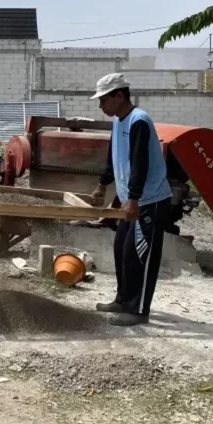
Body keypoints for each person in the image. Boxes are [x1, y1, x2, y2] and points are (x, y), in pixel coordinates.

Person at [90, 73, 172, 326]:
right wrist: (102, 185)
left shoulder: (139, 121)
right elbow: (113, 158)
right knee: (121, 250)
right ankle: (123, 299)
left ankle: (138, 310)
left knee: (139, 254)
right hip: (132, 199)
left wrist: (133, 198)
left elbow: (140, 163)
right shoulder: (118, 121)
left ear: (119, 96)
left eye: (104, 99)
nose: (100, 105)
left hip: (150, 200)